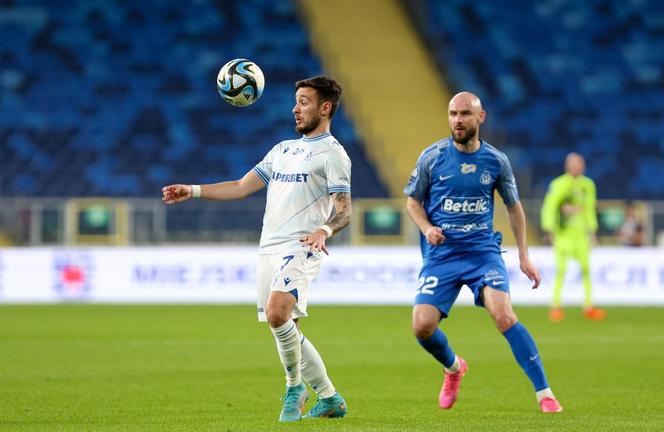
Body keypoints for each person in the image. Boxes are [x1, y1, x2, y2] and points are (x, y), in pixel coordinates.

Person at [162, 76, 351, 422]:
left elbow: (344, 210)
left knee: (278, 312)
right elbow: (239, 186)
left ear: (325, 108)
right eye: (296, 101)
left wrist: (324, 230)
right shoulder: (282, 150)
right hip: (268, 248)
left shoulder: (334, 155)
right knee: (282, 325)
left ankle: (295, 387)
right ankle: (329, 398)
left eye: (304, 102)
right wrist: (193, 190)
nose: (295, 108)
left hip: (303, 245)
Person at [404, 92, 562, 413]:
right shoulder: (432, 157)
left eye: (464, 113)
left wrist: (524, 256)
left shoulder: (496, 161)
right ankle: (453, 367)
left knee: (503, 314)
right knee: (422, 327)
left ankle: (544, 393)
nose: (457, 120)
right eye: (452, 113)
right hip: (442, 255)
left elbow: (514, 208)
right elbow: (412, 202)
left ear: (480, 117)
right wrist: (426, 229)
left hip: (482, 253)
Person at [540, 153, 604, 322]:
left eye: (579, 164)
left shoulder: (588, 185)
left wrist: (592, 230)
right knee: (561, 270)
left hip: (581, 236)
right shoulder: (558, 184)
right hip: (563, 235)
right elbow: (550, 206)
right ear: (567, 166)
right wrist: (549, 229)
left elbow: (590, 208)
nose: (577, 167)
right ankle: (556, 307)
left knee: (586, 270)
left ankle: (589, 306)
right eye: (574, 164)